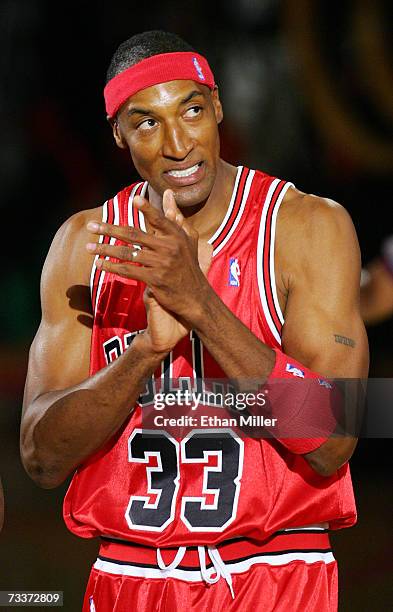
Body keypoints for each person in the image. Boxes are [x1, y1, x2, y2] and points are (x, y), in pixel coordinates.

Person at [21, 31, 368, 611]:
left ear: (218, 107)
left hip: (276, 573)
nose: (179, 144)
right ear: (118, 134)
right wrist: (145, 354)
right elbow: (41, 458)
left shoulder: (306, 227)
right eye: (147, 123)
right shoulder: (83, 246)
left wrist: (200, 306)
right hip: (129, 578)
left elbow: (335, 441)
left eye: (191, 110)